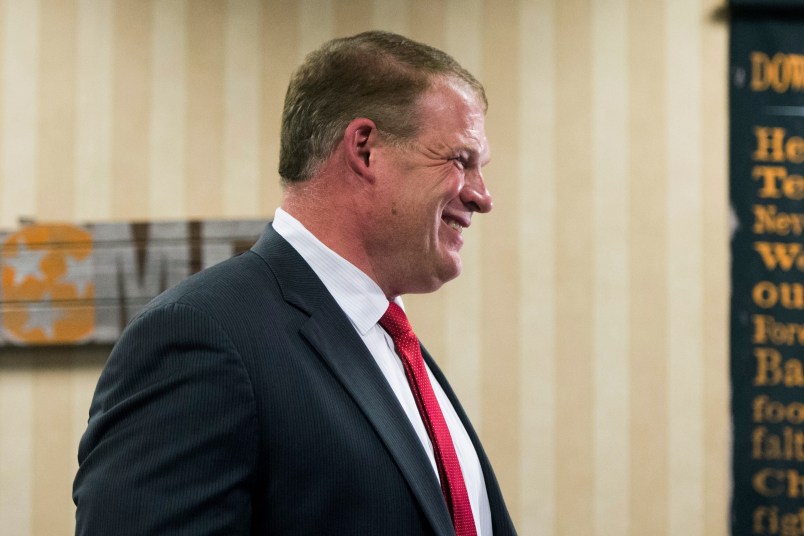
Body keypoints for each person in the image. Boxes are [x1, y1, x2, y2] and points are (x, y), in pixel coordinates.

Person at [73, 31, 516, 536]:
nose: (482, 197)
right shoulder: (200, 335)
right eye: (460, 160)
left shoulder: (392, 341)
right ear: (365, 149)